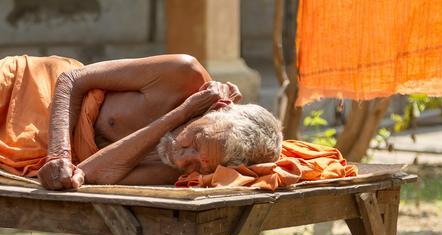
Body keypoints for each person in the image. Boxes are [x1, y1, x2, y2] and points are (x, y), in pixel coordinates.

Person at [34, 54, 283, 190]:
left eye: (199, 165)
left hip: (30, 150)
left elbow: (90, 174)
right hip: (36, 89)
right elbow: (71, 80)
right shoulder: (183, 74)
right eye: (195, 141)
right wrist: (58, 156)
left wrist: (178, 119)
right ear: (216, 108)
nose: (182, 157)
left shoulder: (180, 167)